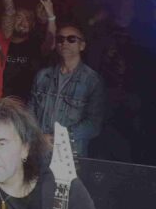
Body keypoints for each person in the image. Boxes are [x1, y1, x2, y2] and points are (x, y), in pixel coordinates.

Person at [29, 25, 106, 157]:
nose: (64, 42)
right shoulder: (42, 76)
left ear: (82, 46)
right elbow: (29, 112)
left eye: (71, 39)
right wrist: (38, 137)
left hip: (70, 154)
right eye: (60, 39)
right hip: (40, 150)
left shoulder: (92, 81)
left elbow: (94, 125)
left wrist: (58, 137)